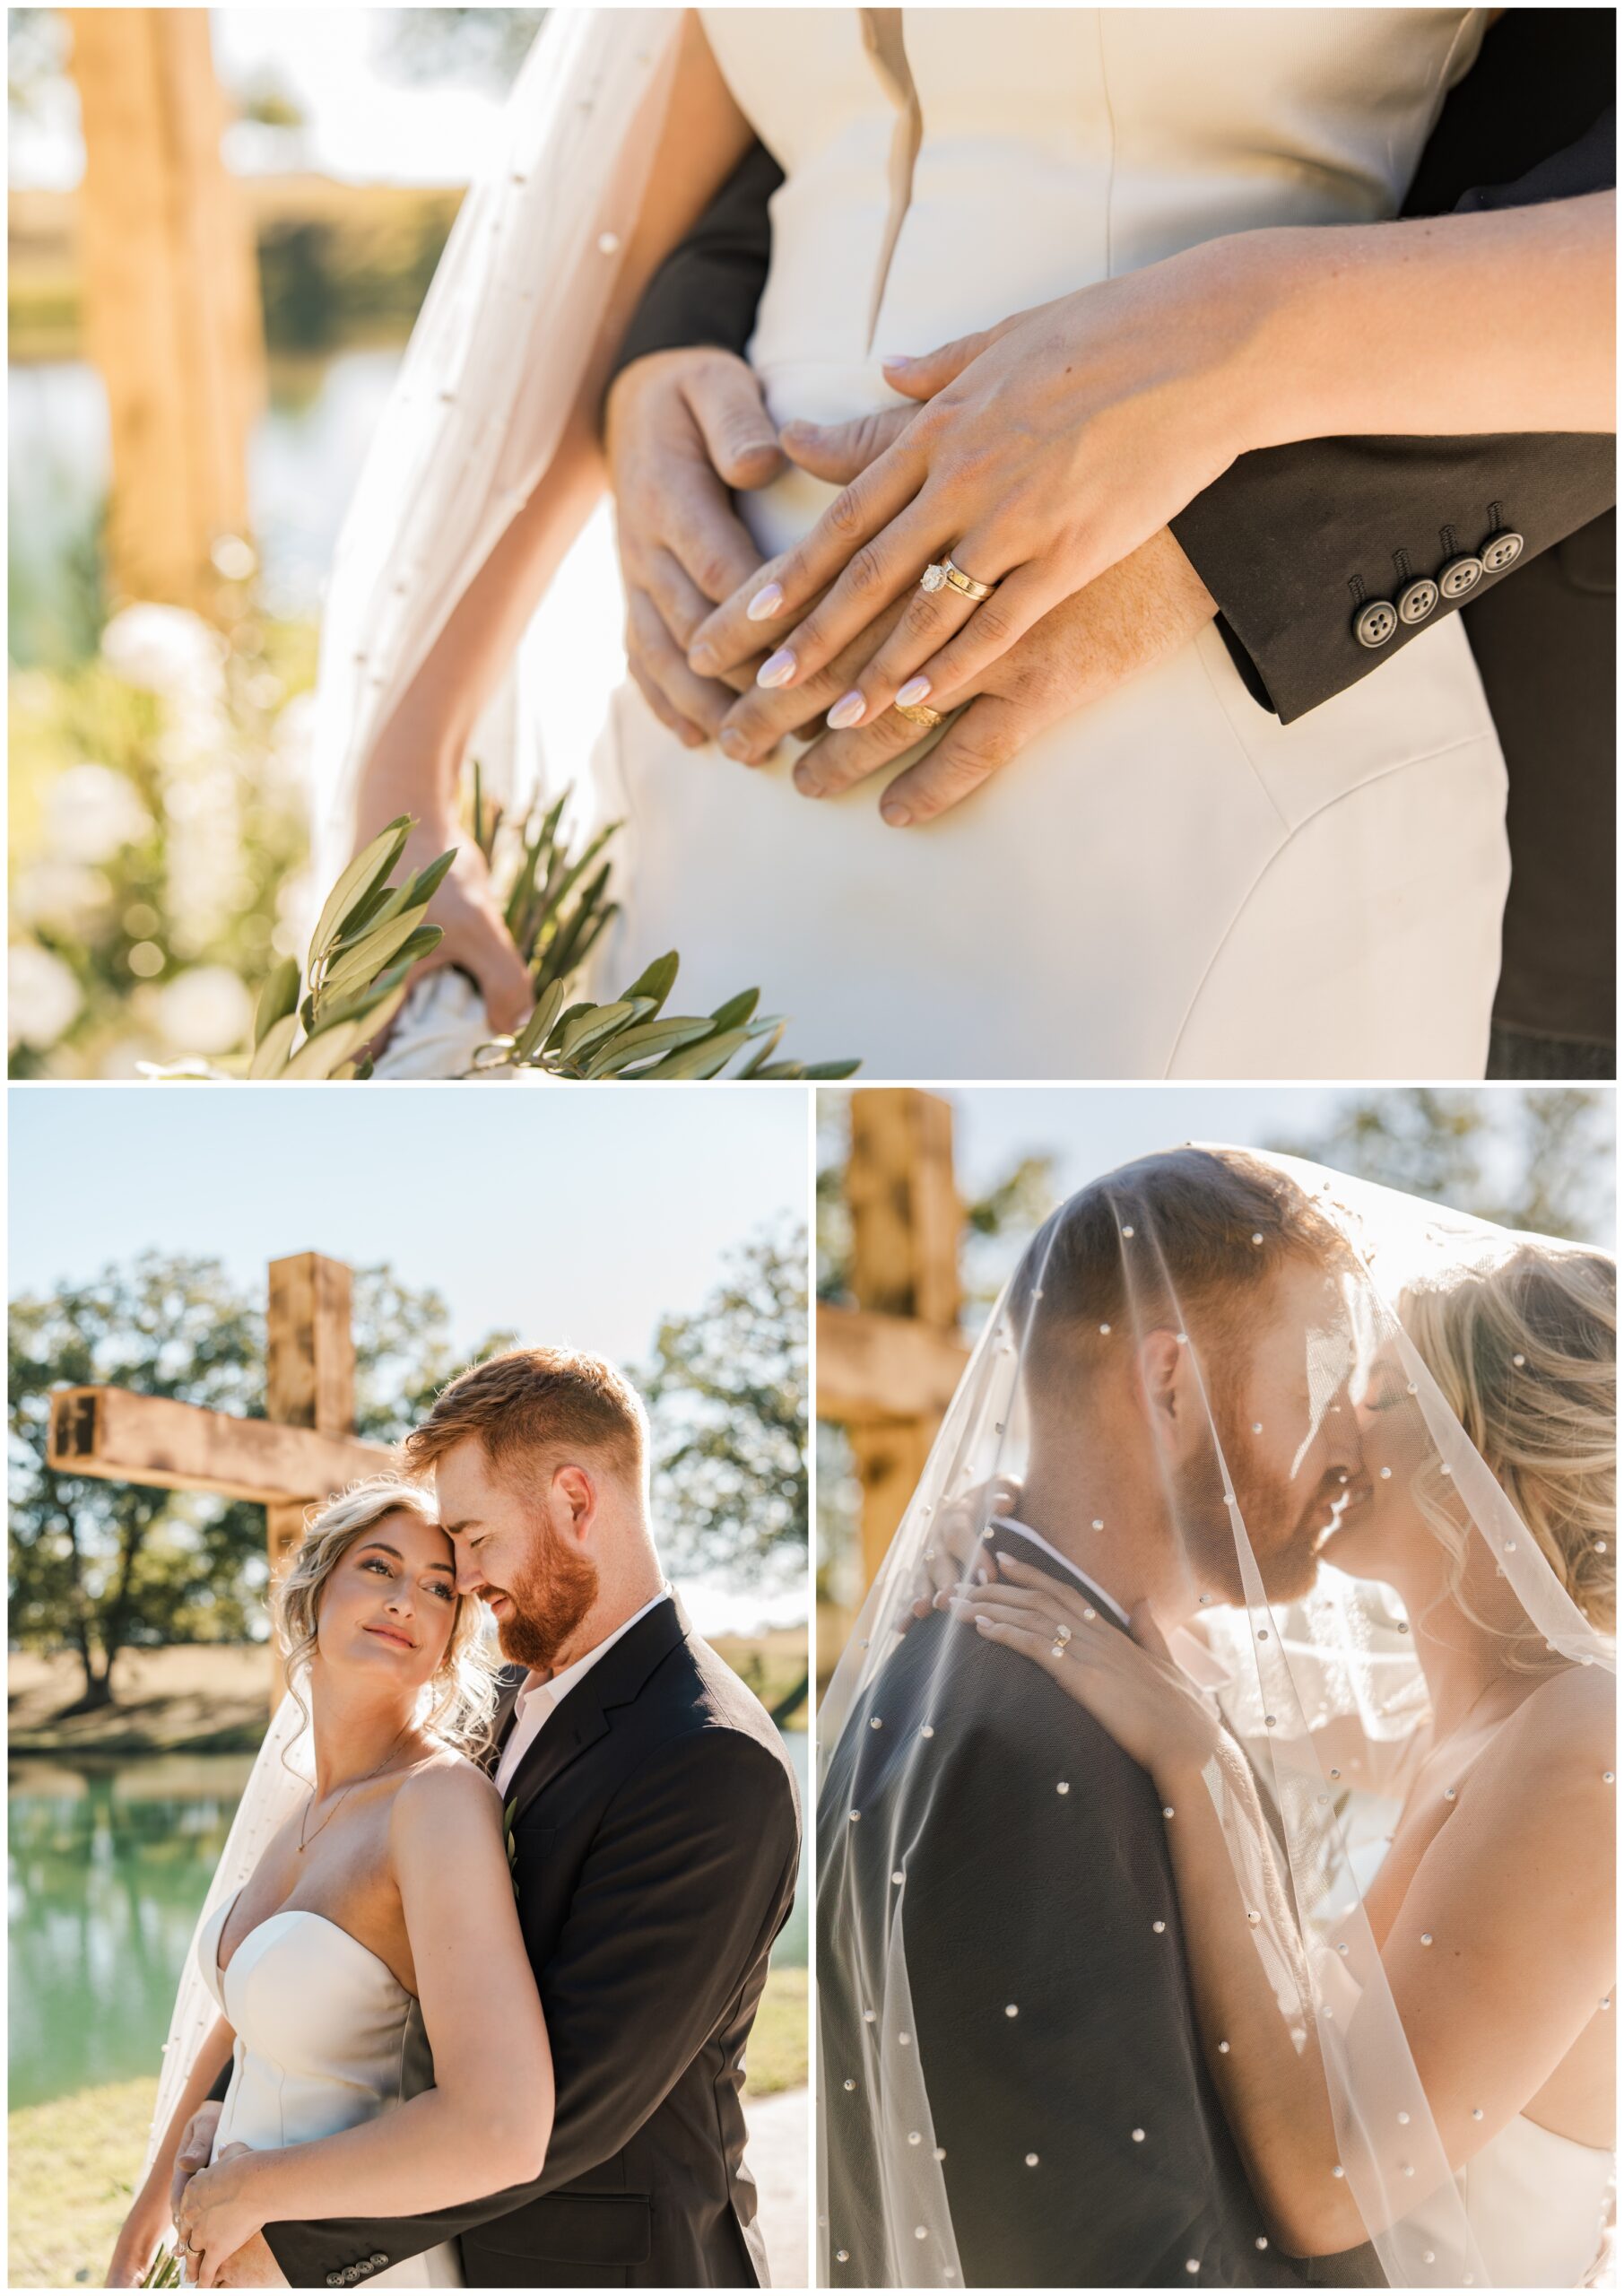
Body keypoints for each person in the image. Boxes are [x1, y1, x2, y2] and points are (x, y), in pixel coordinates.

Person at [318, 11, 1612, 1080]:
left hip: (1191, 757)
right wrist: (409, 772)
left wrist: (1239, 335)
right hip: (711, 768)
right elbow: (620, 230)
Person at [815, 1146, 1615, 2286]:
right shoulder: (1447, 1716)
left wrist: (1200, 1768)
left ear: (1477, 1461)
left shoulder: (1585, 1740)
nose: (1338, 1429)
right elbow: (1164, 1636)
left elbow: (1329, 2186)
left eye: (1377, 1389)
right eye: (1329, 1380)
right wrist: (991, 1524)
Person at [157, 1350, 802, 2288]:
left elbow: (570, 2104)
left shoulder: (708, 1756)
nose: (458, 1576)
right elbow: (339, 1913)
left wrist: (286, 2226)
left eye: (473, 1535)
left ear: (575, 1502)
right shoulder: (493, 1694)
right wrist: (232, 2104)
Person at [107, 1477, 544, 2288]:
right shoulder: (305, 1805)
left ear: (451, 1636)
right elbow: (240, 2016)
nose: (406, 1599)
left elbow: (498, 2128)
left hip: (353, 2268)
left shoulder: (436, 1803)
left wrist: (251, 2188)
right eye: (378, 1567)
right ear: (312, 1594)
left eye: (439, 1587)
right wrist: (143, 2226)